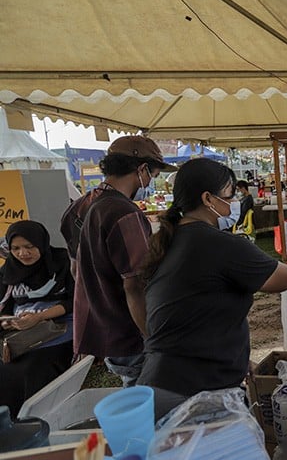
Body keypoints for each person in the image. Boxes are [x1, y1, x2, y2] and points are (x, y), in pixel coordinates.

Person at [136, 159, 287, 417]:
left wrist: (234, 359)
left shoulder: (171, 239)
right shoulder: (218, 244)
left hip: (161, 382)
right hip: (193, 392)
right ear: (208, 199)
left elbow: (193, 313)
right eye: (229, 196)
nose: (234, 202)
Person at [73, 135, 177, 387]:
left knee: (135, 395)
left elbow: (75, 267)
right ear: (141, 169)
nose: (151, 181)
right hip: (128, 331)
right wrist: (153, 339)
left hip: (104, 327)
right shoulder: (124, 213)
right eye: (152, 174)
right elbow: (135, 285)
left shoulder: (82, 205)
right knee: (148, 400)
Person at [0, 221, 74, 417]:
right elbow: (4, 308)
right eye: (15, 248)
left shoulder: (63, 263)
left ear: (40, 243)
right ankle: (10, 423)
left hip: (61, 327)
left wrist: (40, 317)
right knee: (6, 368)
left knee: (35, 368)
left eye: (29, 246)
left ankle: (37, 419)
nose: (22, 253)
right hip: (23, 333)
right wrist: (8, 322)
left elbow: (74, 301)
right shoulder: (8, 271)